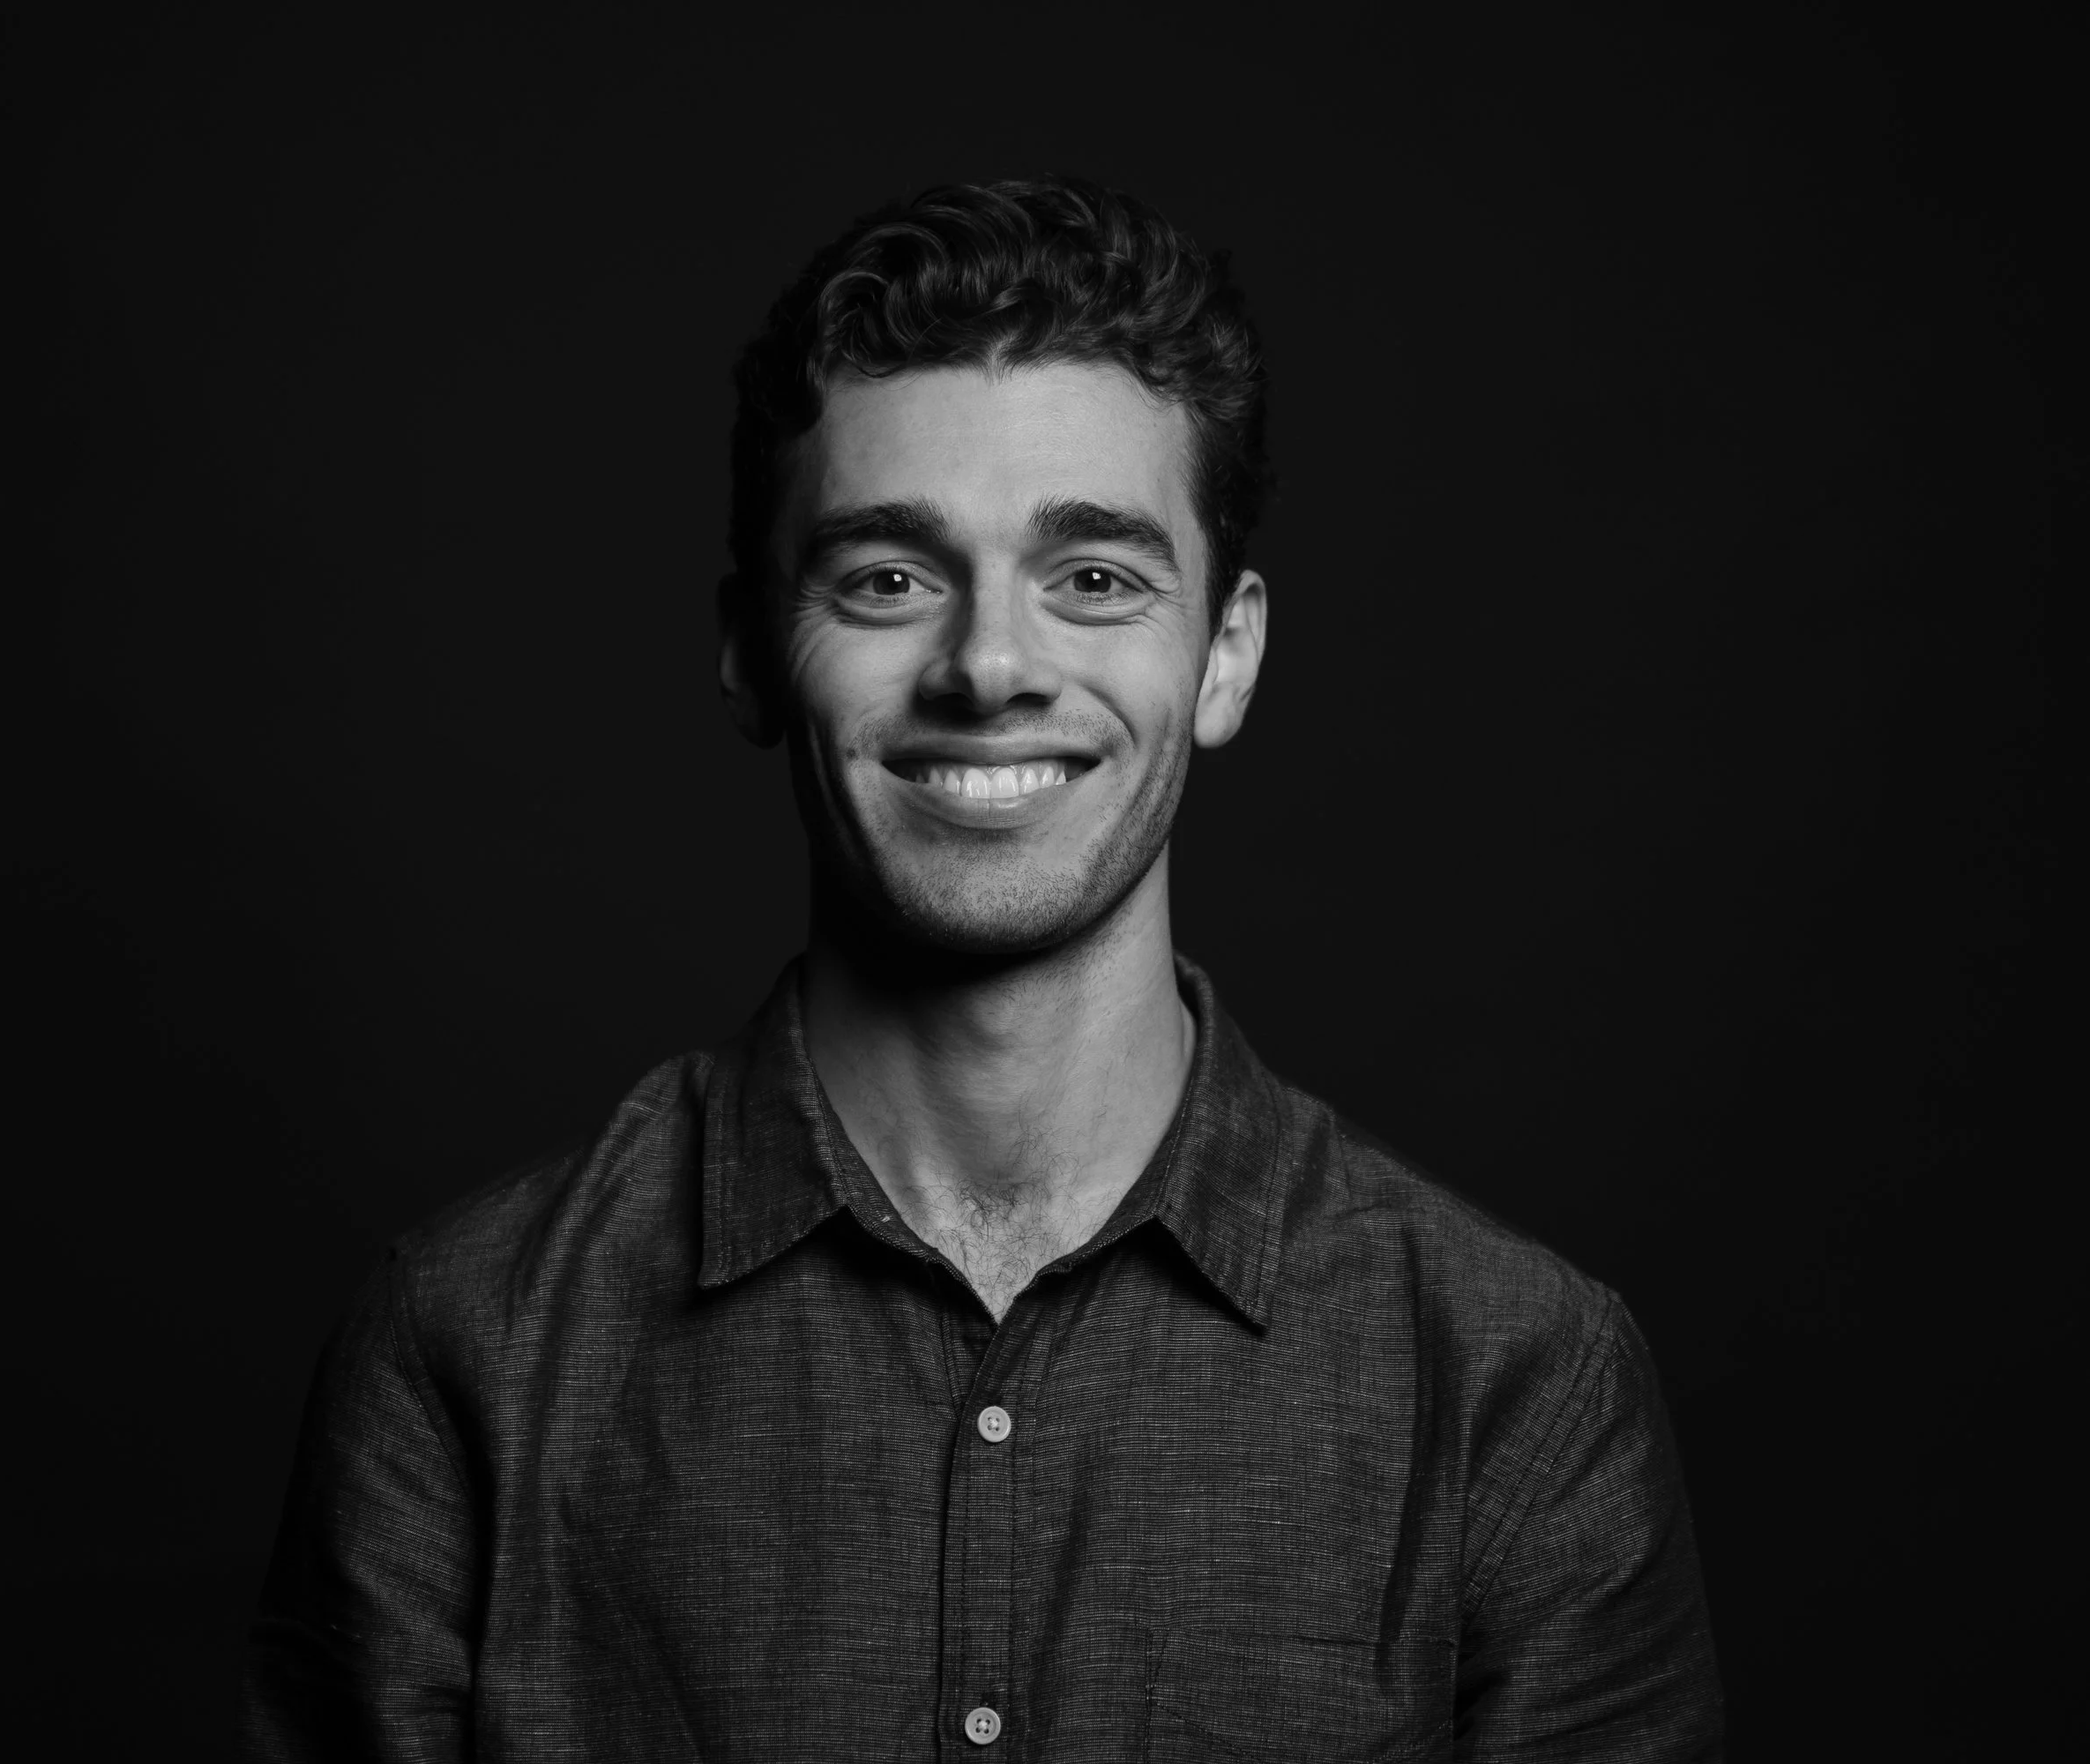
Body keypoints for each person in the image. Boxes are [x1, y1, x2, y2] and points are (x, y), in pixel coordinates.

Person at [243, 176, 1724, 1761]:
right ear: (751, 648)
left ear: (1224, 652)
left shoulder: (1516, 1381)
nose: (991, 667)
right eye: (888, 577)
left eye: (1093, 577)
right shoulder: (466, 1349)